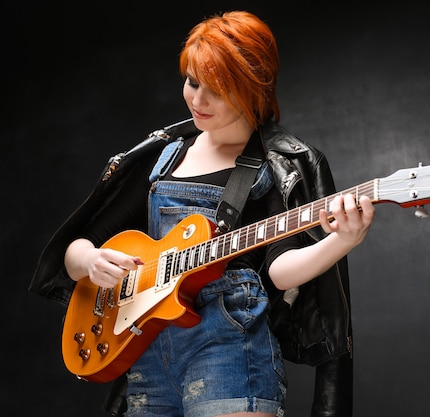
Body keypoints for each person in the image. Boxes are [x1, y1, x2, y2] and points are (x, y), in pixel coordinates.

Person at [29, 10, 375, 417]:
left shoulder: (278, 163)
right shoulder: (163, 156)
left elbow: (279, 272)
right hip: (147, 358)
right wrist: (90, 260)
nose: (197, 100)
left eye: (217, 90)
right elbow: (72, 254)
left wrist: (343, 240)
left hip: (230, 350)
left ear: (253, 88)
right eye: (192, 82)